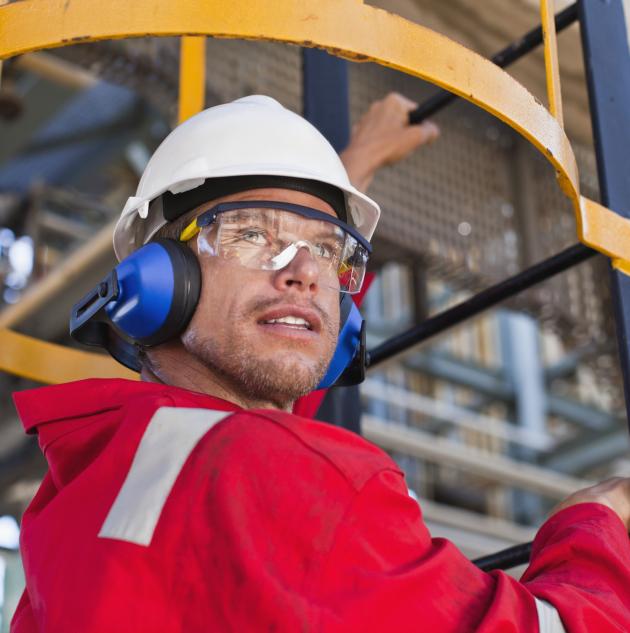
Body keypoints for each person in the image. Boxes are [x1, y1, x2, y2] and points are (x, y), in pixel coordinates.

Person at [9, 93, 630, 633]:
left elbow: (247, 424)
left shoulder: (86, 489)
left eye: (330, 252)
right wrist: (594, 528)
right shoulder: (295, 478)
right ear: (158, 280)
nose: (306, 273)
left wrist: (346, 169)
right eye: (250, 235)